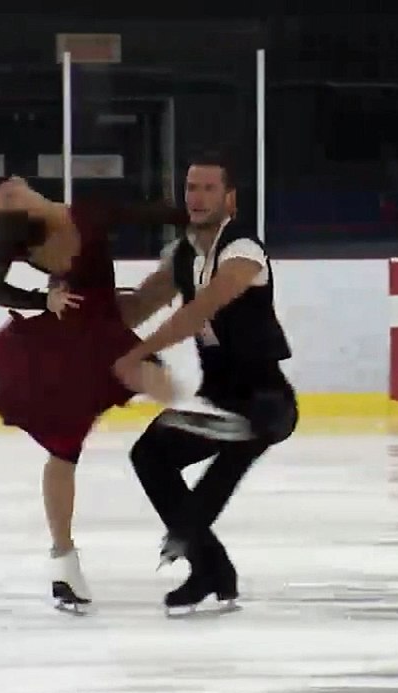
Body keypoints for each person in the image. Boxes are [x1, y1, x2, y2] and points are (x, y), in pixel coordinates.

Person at [0, 177, 197, 612]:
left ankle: (199, 454)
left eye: (3, 191)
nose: (4, 188)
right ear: (23, 212)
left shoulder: (86, 211)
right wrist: (45, 300)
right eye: (3, 198)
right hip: (71, 343)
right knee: (65, 449)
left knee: (163, 377)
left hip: (108, 325)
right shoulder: (30, 240)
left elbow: (145, 212)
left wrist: (195, 214)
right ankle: (63, 559)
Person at [113, 153, 298, 612]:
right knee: (150, 455)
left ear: (229, 198)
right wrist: (77, 310)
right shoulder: (182, 255)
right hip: (218, 398)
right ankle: (211, 567)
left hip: (263, 400)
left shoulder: (243, 251)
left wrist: (136, 355)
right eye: (191, 188)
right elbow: (136, 307)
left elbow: (199, 310)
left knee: (227, 460)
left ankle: (200, 555)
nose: (196, 198)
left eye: (208, 189)